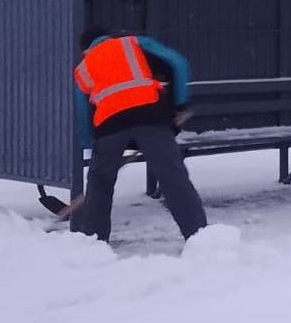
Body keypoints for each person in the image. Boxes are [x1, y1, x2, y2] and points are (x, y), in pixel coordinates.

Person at [72, 30, 207, 242]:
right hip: (151, 117)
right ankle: (200, 238)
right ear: (109, 38)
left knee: (100, 182)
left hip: (109, 126)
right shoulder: (134, 43)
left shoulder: (83, 67)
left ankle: (94, 242)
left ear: (85, 49)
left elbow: (82, 111)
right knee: (173, 178)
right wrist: (180, 104)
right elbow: (178, 63)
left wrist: (92, 142)